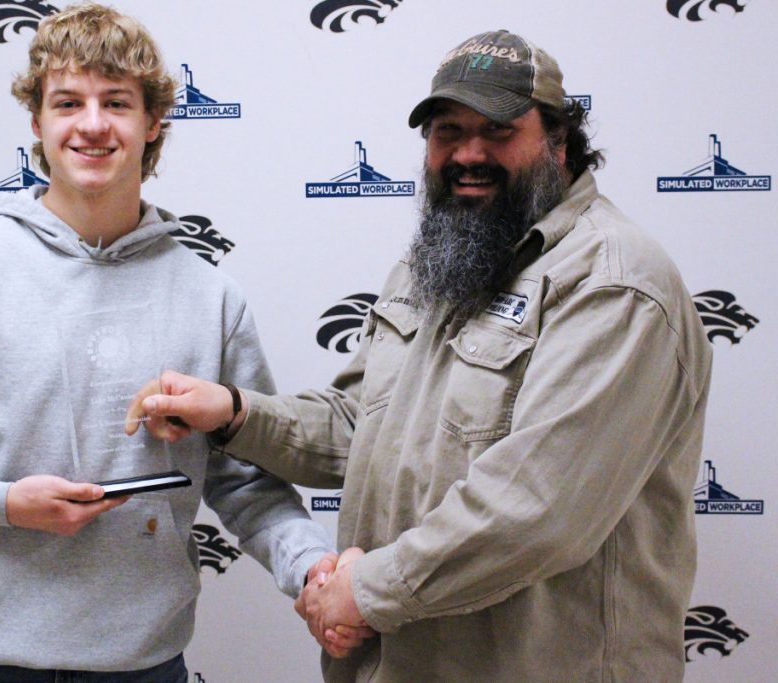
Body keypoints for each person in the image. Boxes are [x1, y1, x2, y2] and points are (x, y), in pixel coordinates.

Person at [127, 29, 713, 682]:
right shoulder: (436, 264)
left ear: (560, 141)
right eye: (446, 131)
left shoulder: (613, 281)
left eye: (496, 130)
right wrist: (236, 414)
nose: (468, 153)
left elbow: (539, 506)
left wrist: (366, 591)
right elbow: (362, 426)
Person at [0, 4, 332, 681]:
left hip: (140, 662)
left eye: (116, 102)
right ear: (38, 122)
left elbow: (247, 478)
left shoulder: (212, 298)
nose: (92, 124)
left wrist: (313, 568)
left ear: (153, 123)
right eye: (68, 102)